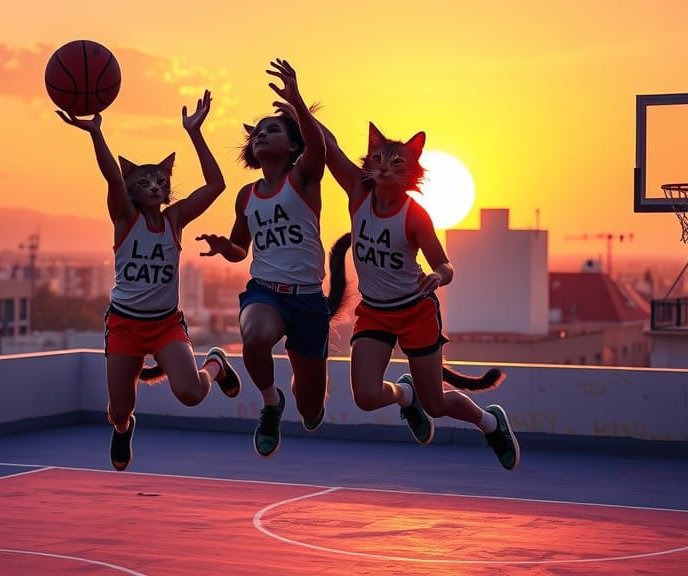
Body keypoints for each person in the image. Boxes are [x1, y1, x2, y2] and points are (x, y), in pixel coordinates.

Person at [313, 116, 520, 471]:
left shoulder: (415, 216)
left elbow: (445, 265)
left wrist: (438, 276)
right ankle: (404, 395)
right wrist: (298, 102)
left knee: (436, 405)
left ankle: (490, 423)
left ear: (412, 169)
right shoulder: (358, 193)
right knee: (365, 397)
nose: (384, 167)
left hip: (415, 312)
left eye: (396, 162)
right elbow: (328, 144)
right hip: (375, 312)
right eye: (377, 158)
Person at [57, 90, 239, 471]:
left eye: (161, 180)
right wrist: (95, 134)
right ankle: (124, 429)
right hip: (124, 324)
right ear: (132, 187)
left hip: (164, 324)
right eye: (146, 181)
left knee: (190, 393)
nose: (156, 185)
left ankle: (217, 366)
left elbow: (216, 185)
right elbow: (110, 175)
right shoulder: (124, 216)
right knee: (119, 410)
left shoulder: (174, 220)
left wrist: (195, 133)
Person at [196, 59, 331, 458]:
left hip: (307, 299)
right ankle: (271, 403)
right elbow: (241, 252)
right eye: (256, 132)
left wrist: (295, 101)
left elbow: (319, 145)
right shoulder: (246, 195)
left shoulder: (304, 177)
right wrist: (226, 246)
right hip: (266, 293)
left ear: (292, 146)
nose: (260, 135)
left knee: (311, 408)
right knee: (253, 336)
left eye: (272, 129)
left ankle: (297, 398)